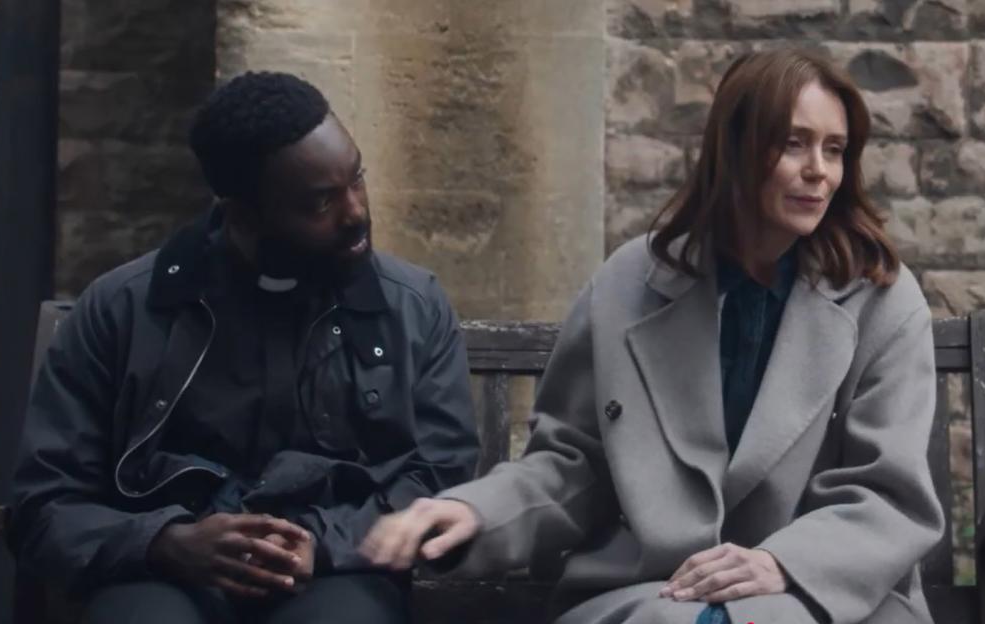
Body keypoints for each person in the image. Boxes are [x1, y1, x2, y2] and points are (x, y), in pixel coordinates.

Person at [360, 49, 945, 624]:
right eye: (793, 143)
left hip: (827, 597)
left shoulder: (881, 299)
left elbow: (887, 495)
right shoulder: (627, 284)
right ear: (734, 148)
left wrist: (781, 561)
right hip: (656, 591)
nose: (819, 170)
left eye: (835, 149)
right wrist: (475, 512)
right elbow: (573, 466)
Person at [9, 71, 479, 624]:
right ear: (244, 214)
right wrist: (164, 542)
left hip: (334, 572)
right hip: (162, 574)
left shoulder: (410, 306)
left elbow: (441, 476)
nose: (355, 213)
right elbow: (44, 504)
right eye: (320, 202)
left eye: (357, 180)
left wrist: (322, 543)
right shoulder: (126, 308)